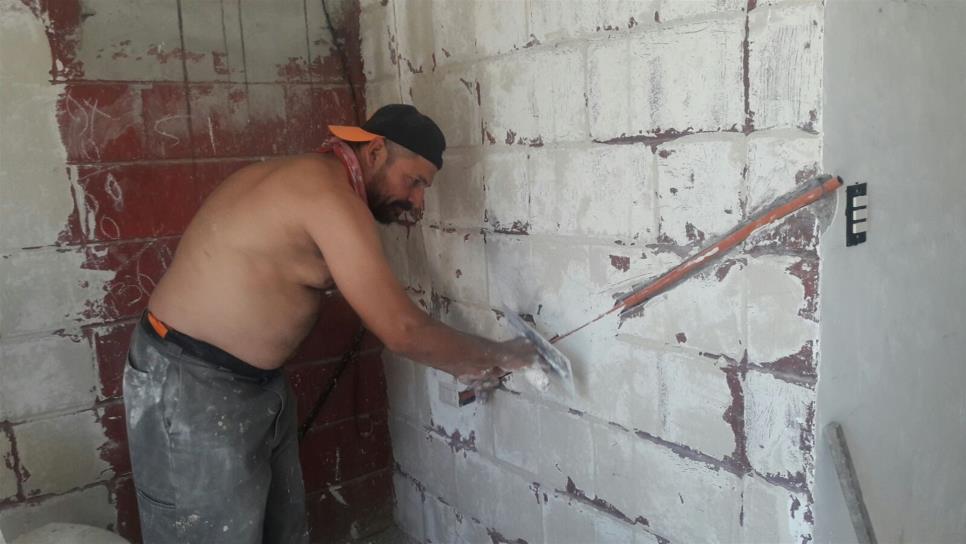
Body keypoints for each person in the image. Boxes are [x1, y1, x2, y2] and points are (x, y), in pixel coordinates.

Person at [123, 104, 537, 543]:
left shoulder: (316, 179)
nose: (418, 201)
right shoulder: (328, 196)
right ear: (375, 152)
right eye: (414, 181)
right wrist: (503, 354)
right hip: (190, 386)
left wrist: (465, 360)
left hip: (247, 383)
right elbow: (402, 331)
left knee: (275, 530)